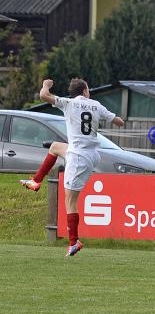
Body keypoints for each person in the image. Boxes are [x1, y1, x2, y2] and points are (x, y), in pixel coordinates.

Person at [38, 78, 124, 256]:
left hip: (78, 157)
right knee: (55, 147)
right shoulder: (96, 105)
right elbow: (119, 122)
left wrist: (47, 85)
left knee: (70, 201)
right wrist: (115, 119)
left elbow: (43, 95)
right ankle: (36, 181)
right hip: (90, 154)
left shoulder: (68, 103)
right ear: (85, 91)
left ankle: (74, 242)